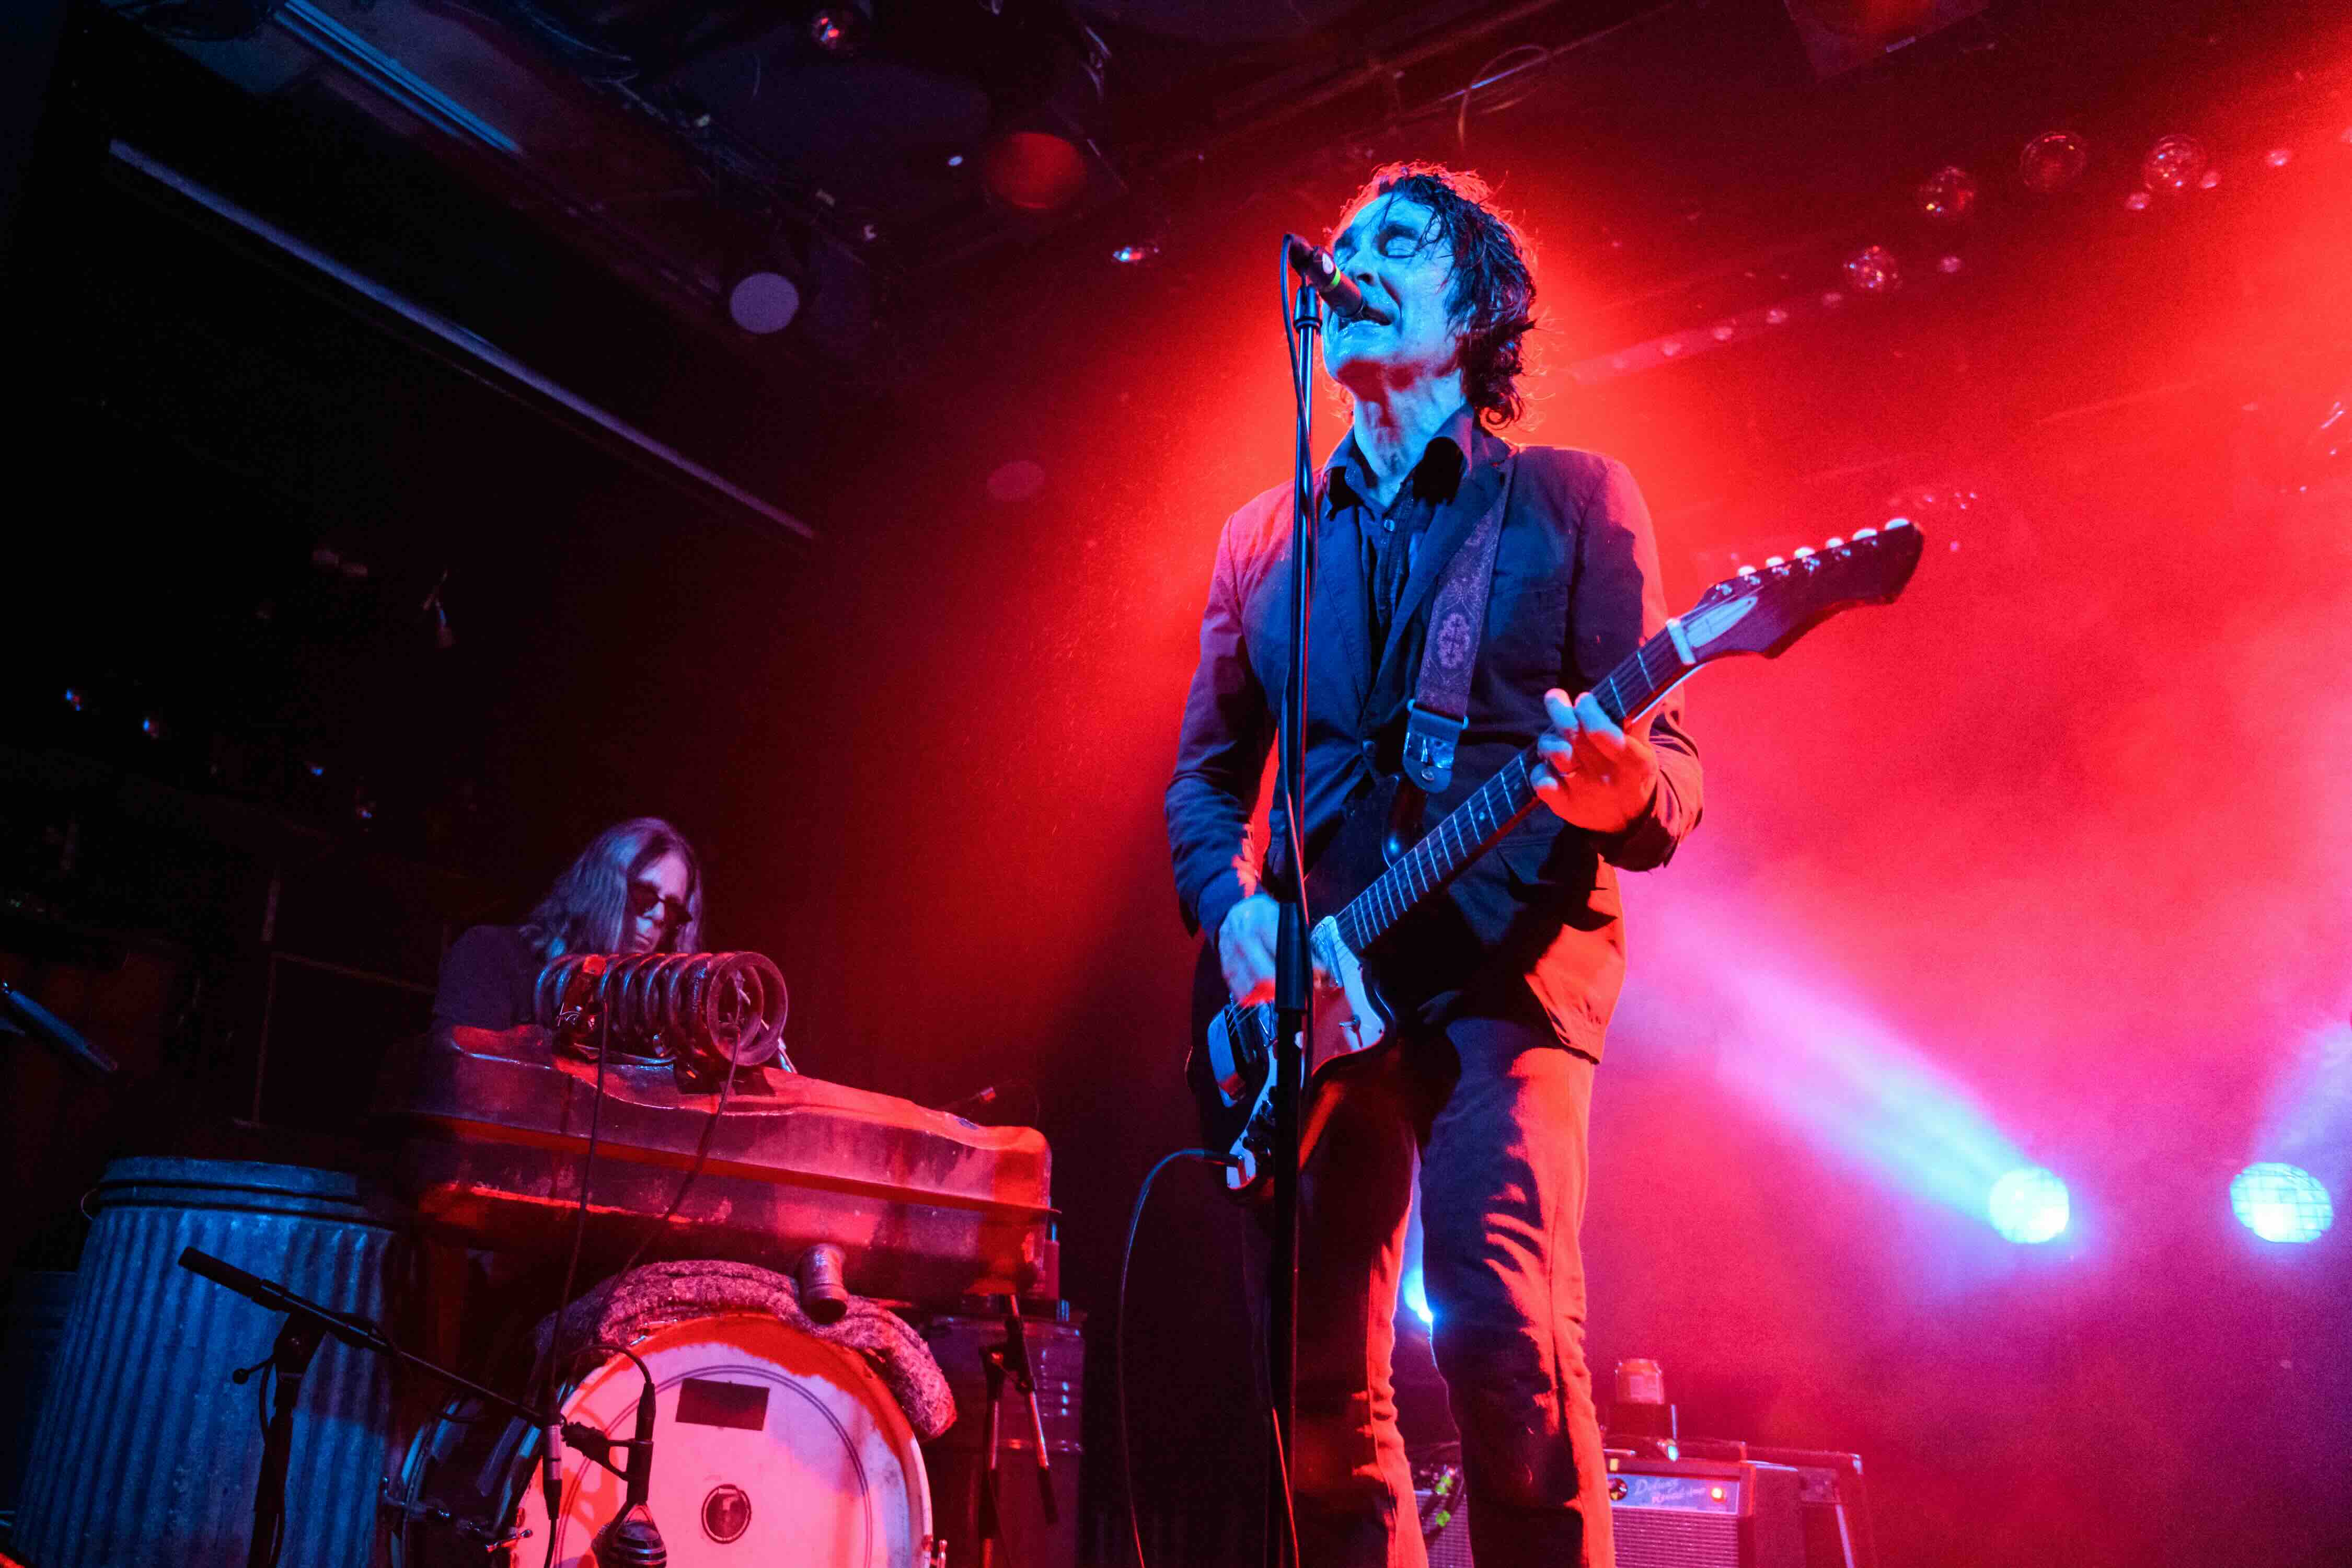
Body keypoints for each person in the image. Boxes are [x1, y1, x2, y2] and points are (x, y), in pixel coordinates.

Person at [1165, 163, 1703, 1568]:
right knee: (1314, 1381)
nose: (1350, 261)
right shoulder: (1260, 535)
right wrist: (1230, 917)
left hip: (1506, 980)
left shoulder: (1575, 502)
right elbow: (1208, 775)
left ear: (1476, 310)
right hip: (1320, 999)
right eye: (1341, 245)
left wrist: (1614, 785)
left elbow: (1670, 785)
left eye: (1394, 244)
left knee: (1502, 1327)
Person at [432, 816, 704, 1030]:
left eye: (672, 910)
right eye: (646, 896)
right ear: (604, 889)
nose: (658, 918)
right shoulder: (495, 956)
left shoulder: (650, 1013)